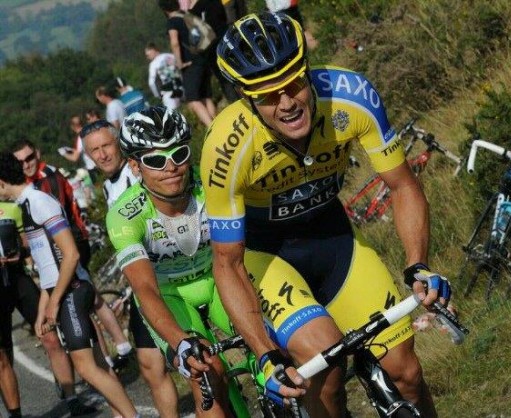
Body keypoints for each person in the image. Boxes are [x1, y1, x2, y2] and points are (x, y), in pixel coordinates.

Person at [202, 12, 452, 417]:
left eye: (293, 84)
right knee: (327, 369)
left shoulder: (350, 96)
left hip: (333, 240)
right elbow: (227, 262)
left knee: (406, 373)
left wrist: (417, 266)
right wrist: (267, 357)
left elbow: (403, 185)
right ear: (245, 97)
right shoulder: (226, 148)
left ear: (306, 70)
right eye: (267, 96)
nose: (286, 104)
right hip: (266, 256)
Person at [106, 106, 246, 417]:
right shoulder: (124, 216)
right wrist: (181, 344)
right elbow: (146, 290)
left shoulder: (211, 185)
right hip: (168, 295)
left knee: (266, 342)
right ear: (134, 166)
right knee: (207, 373)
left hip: (220, 279)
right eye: (156, 160)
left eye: (179, 154)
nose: (171, 167)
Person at [0, 153, 140, 418]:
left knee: (86, 369)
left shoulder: (39, 202)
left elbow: (71, 255)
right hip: (61, 291)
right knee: (99, 363)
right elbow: (46, 266)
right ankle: (122, 414)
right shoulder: (27, 204)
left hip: (72, 291)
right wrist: (44, 308)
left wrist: (53, 304)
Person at [81, 119, 180, 418]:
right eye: (94, 150)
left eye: (106, 146)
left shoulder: (138, 172)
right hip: (142, 284)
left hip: (172, 276)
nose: (102, 155)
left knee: (188, 360)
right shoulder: (108, 185)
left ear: (119, 144)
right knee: (150, 366)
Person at [0, 200, 97, 417]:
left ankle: (72, 399)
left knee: (50, 334)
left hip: (17, 277)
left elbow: (29, 242)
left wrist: (20, 251)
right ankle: (15, 414)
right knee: (3, 357)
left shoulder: (11, 206)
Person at [158, 0, 216, 127]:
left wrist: (180, 63)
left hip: (190, 64)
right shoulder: (186, 15)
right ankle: (218, 124)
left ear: (164, 9)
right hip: (202, 58)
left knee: (193, 99)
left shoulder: (172, 21)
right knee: (206, 96)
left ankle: (212, 128)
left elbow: (175, 43)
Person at [189, 0, 240, 104]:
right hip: (225, 36)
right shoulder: (215, 1)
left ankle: (235, 103)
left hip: (211, 47)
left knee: (223, 78)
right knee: (237, 67)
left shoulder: (194, 11)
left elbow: (195, 34)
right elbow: (223, 16)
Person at [58, 115, 99, 183]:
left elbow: (75, 158)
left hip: (92, 167)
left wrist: (63, 153)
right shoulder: (89, 131)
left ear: (72, 127)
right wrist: (72, 150)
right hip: (98, 163)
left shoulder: (80, 137)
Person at [145, 42, 183, 111]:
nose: (147, 57)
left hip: (168, 92)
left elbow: (151, 83)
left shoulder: (153, 64)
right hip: (181, 86)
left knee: (173, 115)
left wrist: (157, 95)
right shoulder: (170, 55)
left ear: (153, 50)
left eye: (148, 55)